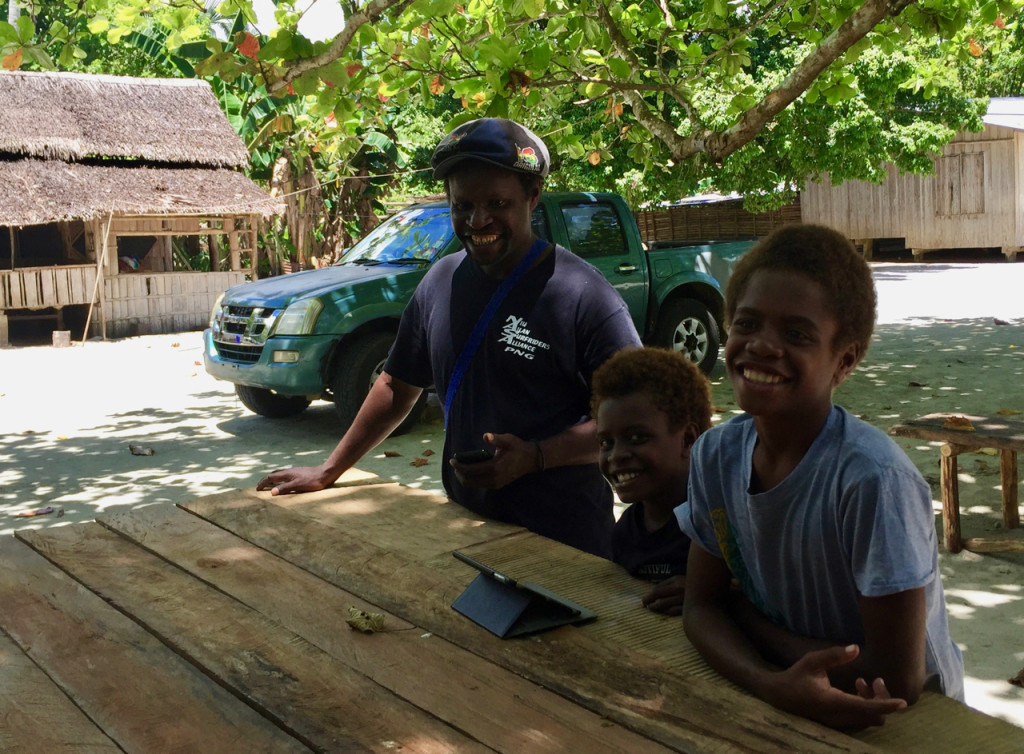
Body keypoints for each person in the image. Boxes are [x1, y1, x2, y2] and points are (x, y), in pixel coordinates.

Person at [257, 118, 642, 558]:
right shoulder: (440, 281)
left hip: (566, 540)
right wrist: (329, 469)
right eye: (463, 206)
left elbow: (636, 421)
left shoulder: (584, 295)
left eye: (497, 203)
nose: (479, 220)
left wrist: (537, 456)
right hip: (466, 529)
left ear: (532, 197)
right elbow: (396, 385)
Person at [677, 224, 964, 729]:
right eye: (747, 324)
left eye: (797, 334)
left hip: (905, 721)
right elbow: (700, 607)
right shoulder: (714, 456)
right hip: (786, 691)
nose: (762, 346)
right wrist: (767, 682)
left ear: (844, 360)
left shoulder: (872, 481)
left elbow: (899, 679)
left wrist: (746, 619)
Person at [591, 346, 711, 615]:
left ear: (688, 439)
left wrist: (711, 595)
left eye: (637, 438)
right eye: (605, 442)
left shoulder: (718, 521)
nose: (616, 455)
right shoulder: (625, 533)